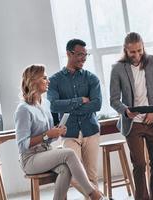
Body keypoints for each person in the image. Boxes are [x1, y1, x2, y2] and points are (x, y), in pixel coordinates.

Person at [14, 64, 108, 200]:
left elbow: (49, 137)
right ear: (33, 81)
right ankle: (95, 195)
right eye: (44, 78)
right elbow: (22, 145)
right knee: (69, 153)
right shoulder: (23, 109)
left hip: (45, 152)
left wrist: (56, 133)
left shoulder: (44, 104)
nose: (49, 81)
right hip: (30, 159)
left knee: (65, 169)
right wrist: (47, 135)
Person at [110, 32, 153, 200]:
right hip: (132, 122)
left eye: (139, 50)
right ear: (125, 50)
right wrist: (125, 111)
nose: (136, 55)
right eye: (132, 52)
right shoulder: (117, 68)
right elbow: (114, 100)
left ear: (143, 47)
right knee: (139, 164)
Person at [47, 39, 102, 197]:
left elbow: (96, 105)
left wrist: (69, 107)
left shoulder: (92, 78)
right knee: (74, 175)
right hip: (69, 134)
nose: (83, 58)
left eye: (85, 55)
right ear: (68, 53)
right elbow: (54, 106)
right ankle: (102, 197)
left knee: (92, 176)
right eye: (79, 54)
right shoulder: (55, 80)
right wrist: (79, 101)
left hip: (91, 131)